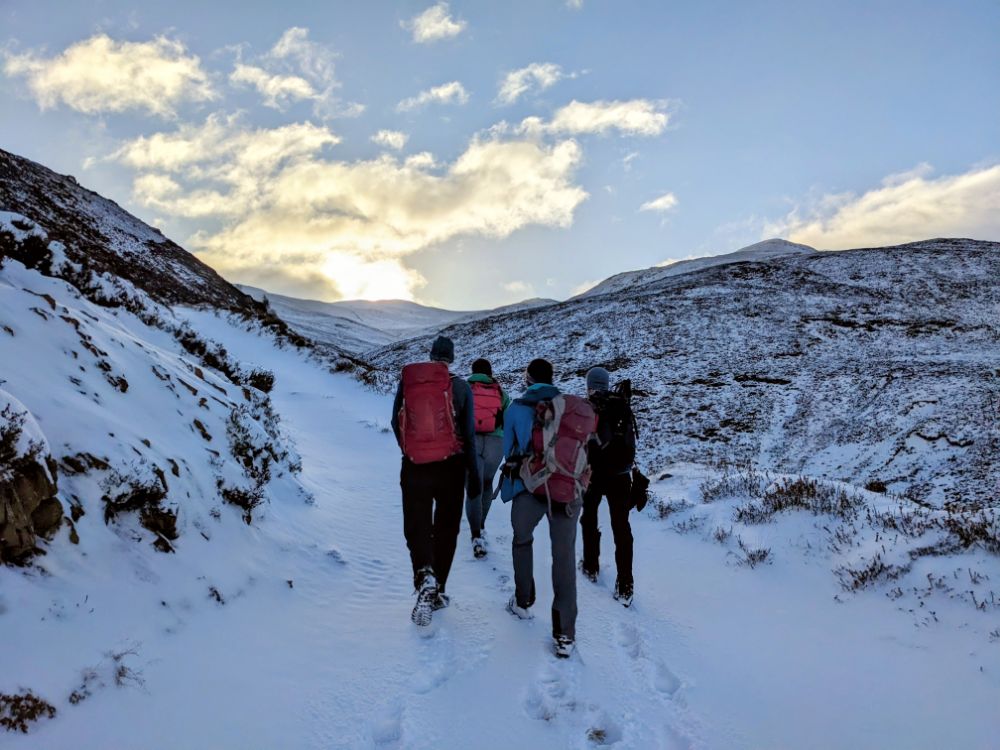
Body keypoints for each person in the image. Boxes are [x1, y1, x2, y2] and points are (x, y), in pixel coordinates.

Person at [501, 358, 592, 658]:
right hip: (566, 490)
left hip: (529, 487)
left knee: (522, 540)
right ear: (552, 378)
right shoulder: (567, 409)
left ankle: (523, 600)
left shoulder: (516, 409)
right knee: (563, 558)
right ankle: (565, 634)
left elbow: (508, 451)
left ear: (527, 378)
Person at [391, 335, 480, 626]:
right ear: (451, 359)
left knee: (416, 523)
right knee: (446, 528)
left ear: (431, 356)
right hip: (451, 466)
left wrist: (410, 452)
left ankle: (424, 574)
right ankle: (438, 589)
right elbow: (469, 435)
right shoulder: (462, 387)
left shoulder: (410, 383)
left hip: (415, 465)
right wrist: (473, 475)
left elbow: (395, 421)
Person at [579, 366, 637, 607]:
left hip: (593, 473)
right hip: (621, 475)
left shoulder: (586, 407)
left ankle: (590, 566)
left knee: (589, 518)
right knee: (621, 527)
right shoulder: (622, 405)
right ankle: (625, 585)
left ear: (589, 385)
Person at [465, 358, 510, 559]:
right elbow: (508, 420)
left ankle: (476, 535)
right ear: (490, 372)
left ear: (473, 372)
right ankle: (482, 525)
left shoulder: (465, 389)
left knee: (473, 487)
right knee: (486, 484)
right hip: (495, 443)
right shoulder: (500, 392)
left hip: (472, 441)